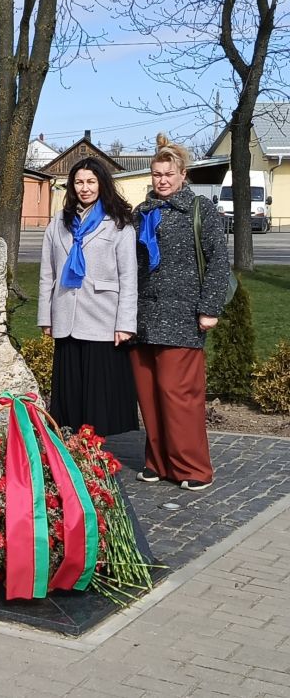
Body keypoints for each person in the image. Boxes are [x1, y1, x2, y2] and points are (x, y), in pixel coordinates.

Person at [131, 134, 230, 491]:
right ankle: (158, 463)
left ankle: (193, 467)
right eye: (157, 174)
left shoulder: (200, 210)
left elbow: (219, 261)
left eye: (168, 174)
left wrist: (209, 309)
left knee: (179, 396)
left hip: (183, 317)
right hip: (144, 318)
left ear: (183, 174)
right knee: (151, 396)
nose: (162, 180)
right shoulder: (142, 213)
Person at [37, 156, 139, 436]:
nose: (85, 188)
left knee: (98, 397)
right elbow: (48, 272)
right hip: (66, 316)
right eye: (79, 182)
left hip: (102, 319)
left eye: (91, 182)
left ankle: (96, 451)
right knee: (69, 395)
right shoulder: (58, 223)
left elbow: (129, 277)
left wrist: (125, 324)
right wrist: (45, 317)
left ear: (101, 184)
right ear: (71, 186)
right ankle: (72, 446)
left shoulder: (118, 224)